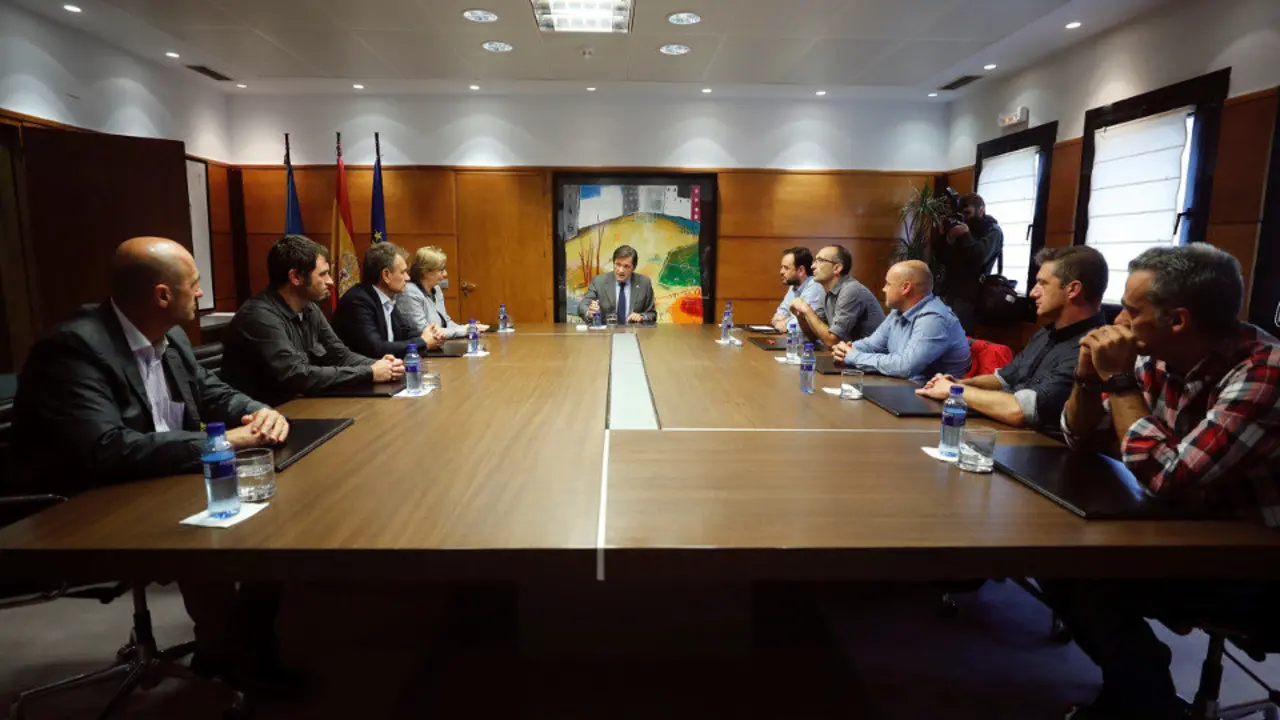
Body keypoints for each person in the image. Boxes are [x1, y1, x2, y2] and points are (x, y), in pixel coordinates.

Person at [13, 236, 295, 697]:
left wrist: (258, 412)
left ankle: (234, 645)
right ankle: (236, 659)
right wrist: (221, 440)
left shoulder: (172, 337)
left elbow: (212, 393)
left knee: (279, 521)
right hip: (83, 503)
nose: (201, 292)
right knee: (213, 539)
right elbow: (105, 449)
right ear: (163, 295)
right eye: (195, 284)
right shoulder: (73, 350)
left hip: (159, 477)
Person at [1044, 243, 1280, 720]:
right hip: (1182, 530)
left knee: (1083, 575)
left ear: (1178, 321)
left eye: (1132, 311)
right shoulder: (1156, 357)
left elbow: (1168, 476)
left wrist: (1120, 382)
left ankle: (1146, 701)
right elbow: (1080, 437)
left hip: (1255, 561)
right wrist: (1088, 378)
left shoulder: (1264, 373)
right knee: (1054, 556)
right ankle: (1139, 687)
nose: (1118, 321)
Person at [916, 246, 1108, 433]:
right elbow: (1004, 378)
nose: (1033, 293)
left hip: (1046, 447)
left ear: (1073, 289)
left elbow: (1022, 411)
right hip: (1013, 435)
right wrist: (960, 383)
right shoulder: (1047, 333)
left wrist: (953, 390)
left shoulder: (1090, 347)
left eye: (1042, 283)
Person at [220, 235, 405, 406]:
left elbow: (339, 355)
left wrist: (380, 365)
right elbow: (296, 376)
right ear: (295, 277)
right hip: (265, 415)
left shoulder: (309, 308)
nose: (331, 281)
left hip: (302, 406)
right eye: (323, 274)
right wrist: (370, 372)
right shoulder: (259, 316)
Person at [832, 260, 970, 382]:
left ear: (905, 288)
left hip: (933, 398)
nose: (884, 289)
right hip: (902, 388)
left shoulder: (934, 319)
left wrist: (854, 357)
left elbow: (905, 367)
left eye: (888, 284)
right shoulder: (898, 312)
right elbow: (872, 345)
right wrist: (846, 350)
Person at [332, 242, 447, 358]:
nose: (407, 278)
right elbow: (376, 348)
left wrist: (431, 335)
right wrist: (423, 342)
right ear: (386, 275)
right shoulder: (357, 301)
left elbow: (403, 333)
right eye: (402, 272)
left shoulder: (387, 298)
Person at [788, 244, 884, 346]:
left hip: (872, 354)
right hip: (850, 353)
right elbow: (814, 336)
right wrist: (800, 316)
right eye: (815, 261)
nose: (813, 266)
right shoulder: (824, 291)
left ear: (837, 268)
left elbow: (832, 341)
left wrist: (806, 309)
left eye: (820, 260)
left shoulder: (851, 290)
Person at [935, 192, 1003, 333]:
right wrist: (946, 237)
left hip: (969, 296)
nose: (964, 218)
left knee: (957, 337)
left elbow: (978, 258)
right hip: (948, 290)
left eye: (967, 213)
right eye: (962, 214)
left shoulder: (992, 231)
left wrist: (965, 234)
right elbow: (942, 258)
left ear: (981, 210)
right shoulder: (961, 226)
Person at [397, 246, 486, 338]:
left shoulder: (436, 289)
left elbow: (446, 322)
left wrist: (468, 328)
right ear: (426, 272)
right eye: (441, 270)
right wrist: (464, 330)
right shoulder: (409, 293)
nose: (445, 274)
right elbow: (425, 331)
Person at [578, 245, 657, 324]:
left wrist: (642, 317)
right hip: (606, 331)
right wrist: (589, 312)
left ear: (634, 267)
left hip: (634, 330)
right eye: (618, 264)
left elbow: (652, 314)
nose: (621, 270)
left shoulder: (644, 283)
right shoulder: (599, 282)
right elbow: (583, 306)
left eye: (626, 266)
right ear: (613, 263)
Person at [769, 247, 825, 333]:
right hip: (795, 338)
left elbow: (802, 326)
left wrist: (785, 322)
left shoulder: (815, 287)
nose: (781, 272)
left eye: (786, 268)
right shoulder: (794, 286)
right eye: (782, 267)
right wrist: (784, 321)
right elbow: (778, 315)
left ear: (801, 270)